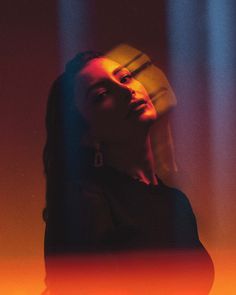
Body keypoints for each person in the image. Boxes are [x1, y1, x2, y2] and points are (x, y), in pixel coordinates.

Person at [42, 51, 214, 294]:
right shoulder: (83, 202)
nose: (127, 91)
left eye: (124, 78)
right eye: (101, 95)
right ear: (85, 134)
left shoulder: (176, 202)